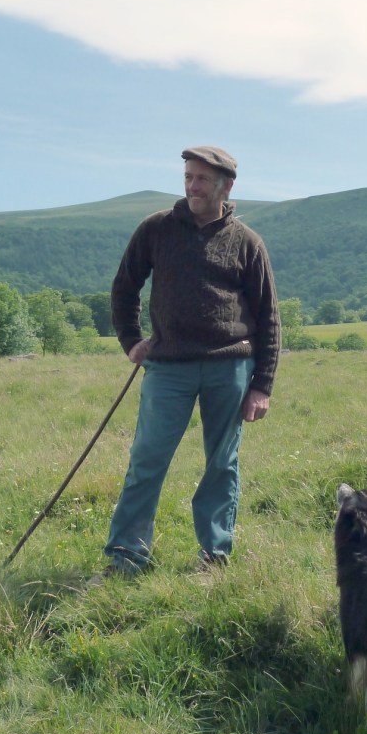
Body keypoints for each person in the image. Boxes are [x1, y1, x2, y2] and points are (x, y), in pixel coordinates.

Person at [103, 145, 280, 574]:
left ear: (226, 186)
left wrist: (262, 385)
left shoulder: (247, 243)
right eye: (187, 177)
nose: (192, 186)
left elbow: (269, 316)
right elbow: (124, 288)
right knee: (147, 459)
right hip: (167, 368)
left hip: (231, 366)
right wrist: (131, 340)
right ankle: (126, 557)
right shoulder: (156, 230)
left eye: (201, 179)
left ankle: (214, 557)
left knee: (222, 464)